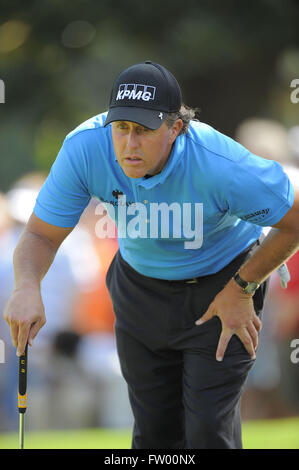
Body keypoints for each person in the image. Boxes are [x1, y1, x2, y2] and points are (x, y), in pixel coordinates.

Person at [3, 61, 299, 449]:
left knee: (208, 432)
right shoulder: (85, 148)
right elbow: (40, 233)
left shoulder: (221, 164)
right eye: (121, 128)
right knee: (155, 435)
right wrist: (26, 286)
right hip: (140, 288)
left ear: (176, 127)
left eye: (143, 130)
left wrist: (242, 287)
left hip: (222, 287)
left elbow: (293, 221)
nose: (129, 143)